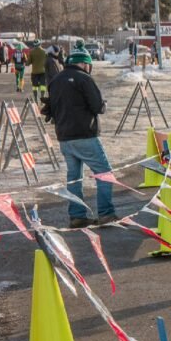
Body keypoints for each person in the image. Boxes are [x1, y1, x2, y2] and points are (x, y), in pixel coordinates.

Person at [40, 41, 116, 228]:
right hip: (85, 135)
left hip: (64, 137)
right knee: (104, 173)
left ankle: (77, 216)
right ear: (84, 63)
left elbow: (49, 108)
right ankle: (106, 213)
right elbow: (97, 106)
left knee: (74, 178)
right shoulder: (84, 78)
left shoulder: (56, 80)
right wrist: (103, 104)